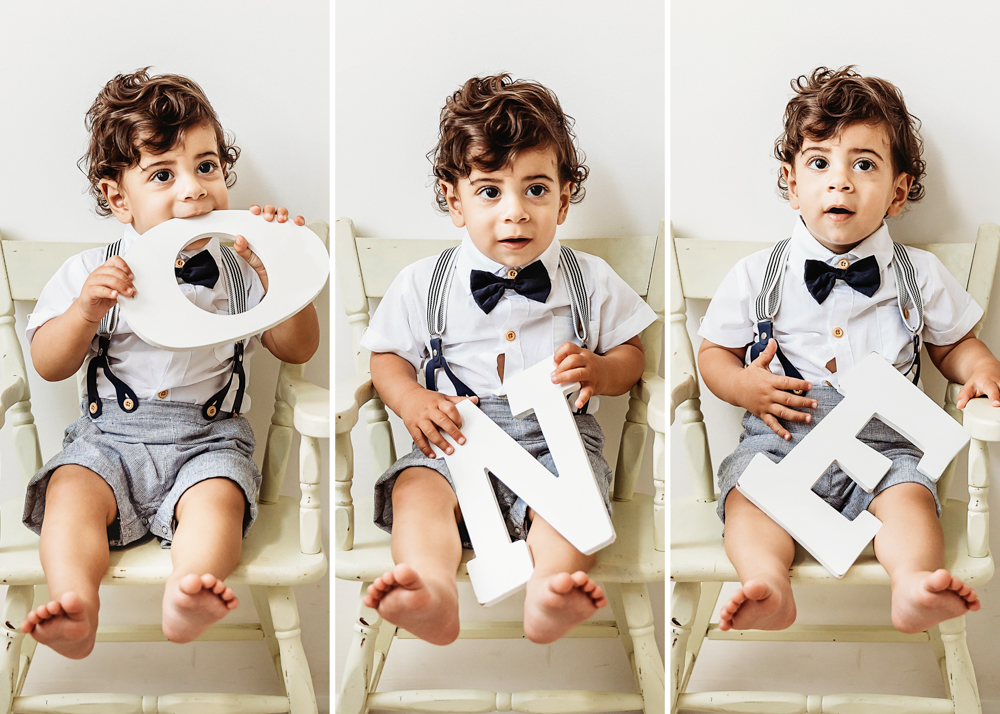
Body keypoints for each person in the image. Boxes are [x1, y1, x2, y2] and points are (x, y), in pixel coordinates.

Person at [19, 69, 320, 658]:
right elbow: (49, 364)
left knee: (218, 503)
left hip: (208, 440)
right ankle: (75, 601)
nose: (194, 188)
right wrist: (84, 311)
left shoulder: (236, 267)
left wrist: (281, 276)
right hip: (109, 441)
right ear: (118, 198)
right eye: (164, 174)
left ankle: (190, 589)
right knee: (69, 495)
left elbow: (298, 347)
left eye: (206, 166)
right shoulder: (90, 272)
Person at [698, 66, 1000, 634]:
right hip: (783, 436)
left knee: (910, 500)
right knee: (748, 498)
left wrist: (980, 369)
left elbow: (954, 343)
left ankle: (912, 583)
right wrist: (743, 386)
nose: (841, 182)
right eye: (820, 163)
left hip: (886, 444)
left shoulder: (919, 274)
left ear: (899, 190)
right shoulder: (756, 275)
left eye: (864, 164)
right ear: (791, 183)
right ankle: (768, 583)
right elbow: (714, 353)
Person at [359, 74, 657, 645]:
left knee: (572, 511)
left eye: (536, 190)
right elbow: (386, 359)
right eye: (490, 191)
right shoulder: (423, 283)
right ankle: (432, 589)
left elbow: (631, 354)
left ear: (565, 198)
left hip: (556, 442)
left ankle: (552, 588)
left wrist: (601, 369)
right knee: (417, 495)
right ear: (455, 200)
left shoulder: (590, 279)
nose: (515, 212)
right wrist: (412, 398)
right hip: (455, 441)